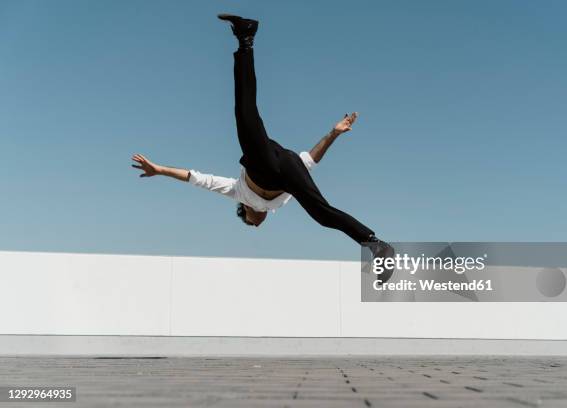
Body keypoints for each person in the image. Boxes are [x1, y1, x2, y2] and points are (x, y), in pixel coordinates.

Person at [131, 14, 394, 282]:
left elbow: (196, 178)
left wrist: (160, 170)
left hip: (262, 161)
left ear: (244, 210)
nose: (255, 224)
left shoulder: (237, 192)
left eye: (248, 222)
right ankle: (378, 246)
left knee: (245, 114)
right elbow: (309, 161)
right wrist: (333, 134)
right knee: (323, 215)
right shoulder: (278, 204)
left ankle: (246, 39)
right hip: (289, 171)